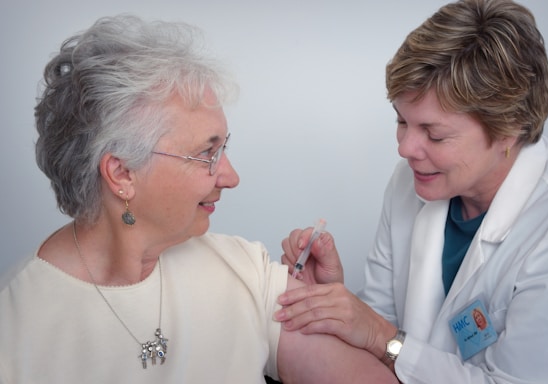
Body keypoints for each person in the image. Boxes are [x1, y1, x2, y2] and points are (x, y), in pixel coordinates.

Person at [0, 15, 399, 384]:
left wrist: (336, 315)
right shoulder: (14, 332)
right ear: (122, 174)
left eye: (223, 147)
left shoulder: (245, 273)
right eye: (206, 154)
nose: (231, 176)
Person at [274, 0, 548, 382]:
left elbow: (389, 343)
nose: (405, 148)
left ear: (508, 129)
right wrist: (336, 303)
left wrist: (380, 335)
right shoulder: (411, 182)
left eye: (434, 134)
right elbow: (379, 338)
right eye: (401, 121)